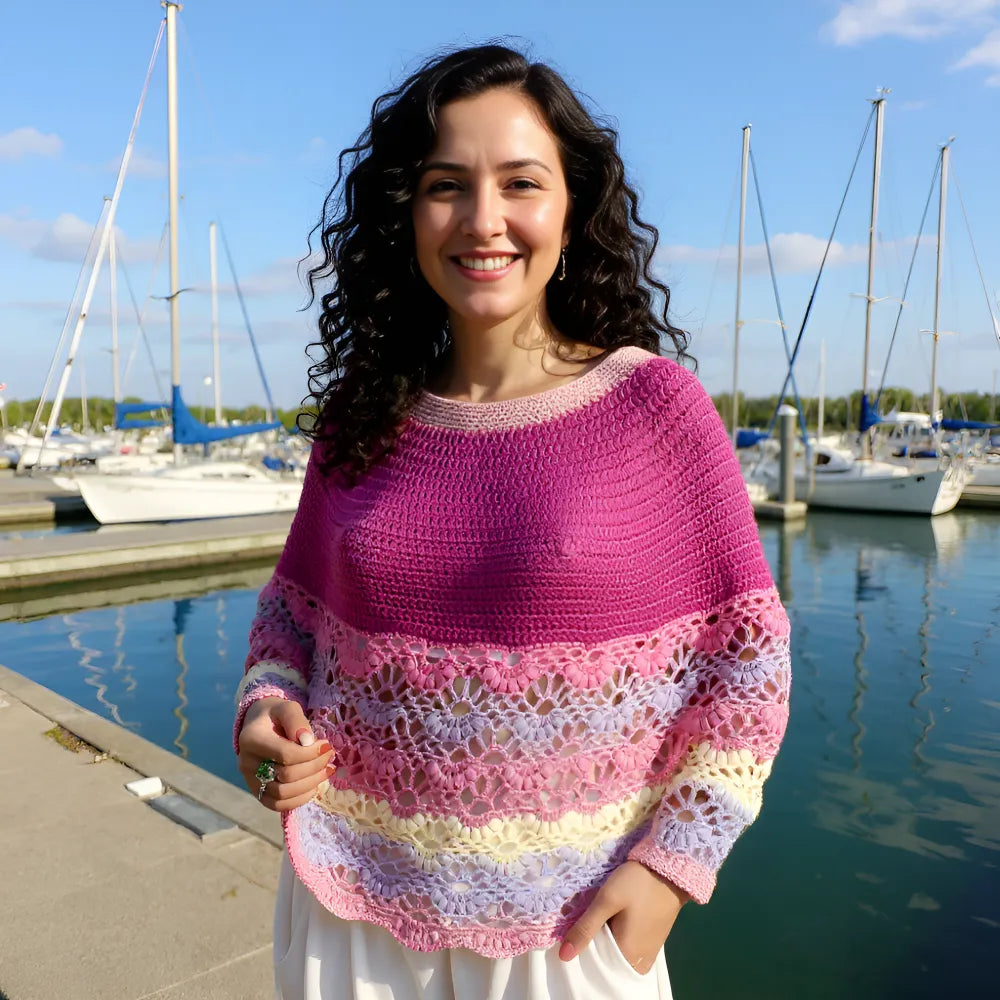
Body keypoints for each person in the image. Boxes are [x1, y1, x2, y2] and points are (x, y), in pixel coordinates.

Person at [234, 43, 791, 1000]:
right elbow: (291, 619)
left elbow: (748, 661)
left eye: (520, 183)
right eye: (447, 185)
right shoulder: (359, 421)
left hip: (566, 938)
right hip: (347, 914)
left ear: (571, 207)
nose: (483, 220)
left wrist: (674, 864)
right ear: (406, 214)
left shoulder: (654, 410)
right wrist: (263, 715)